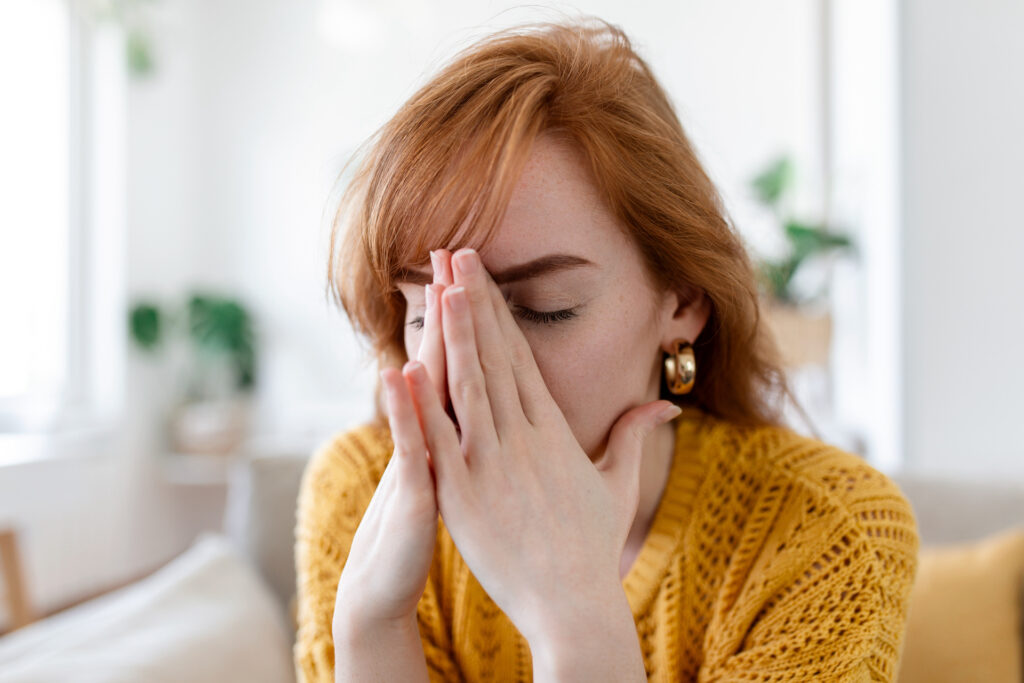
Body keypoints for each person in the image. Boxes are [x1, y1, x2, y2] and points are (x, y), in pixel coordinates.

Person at [293, 17, 919, 683]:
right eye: (426, 312)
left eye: (543, 307)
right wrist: (370, 627)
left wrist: (576, 617)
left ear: (681, 303)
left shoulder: (827, 534)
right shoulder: (358, 494)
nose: (472, 364)